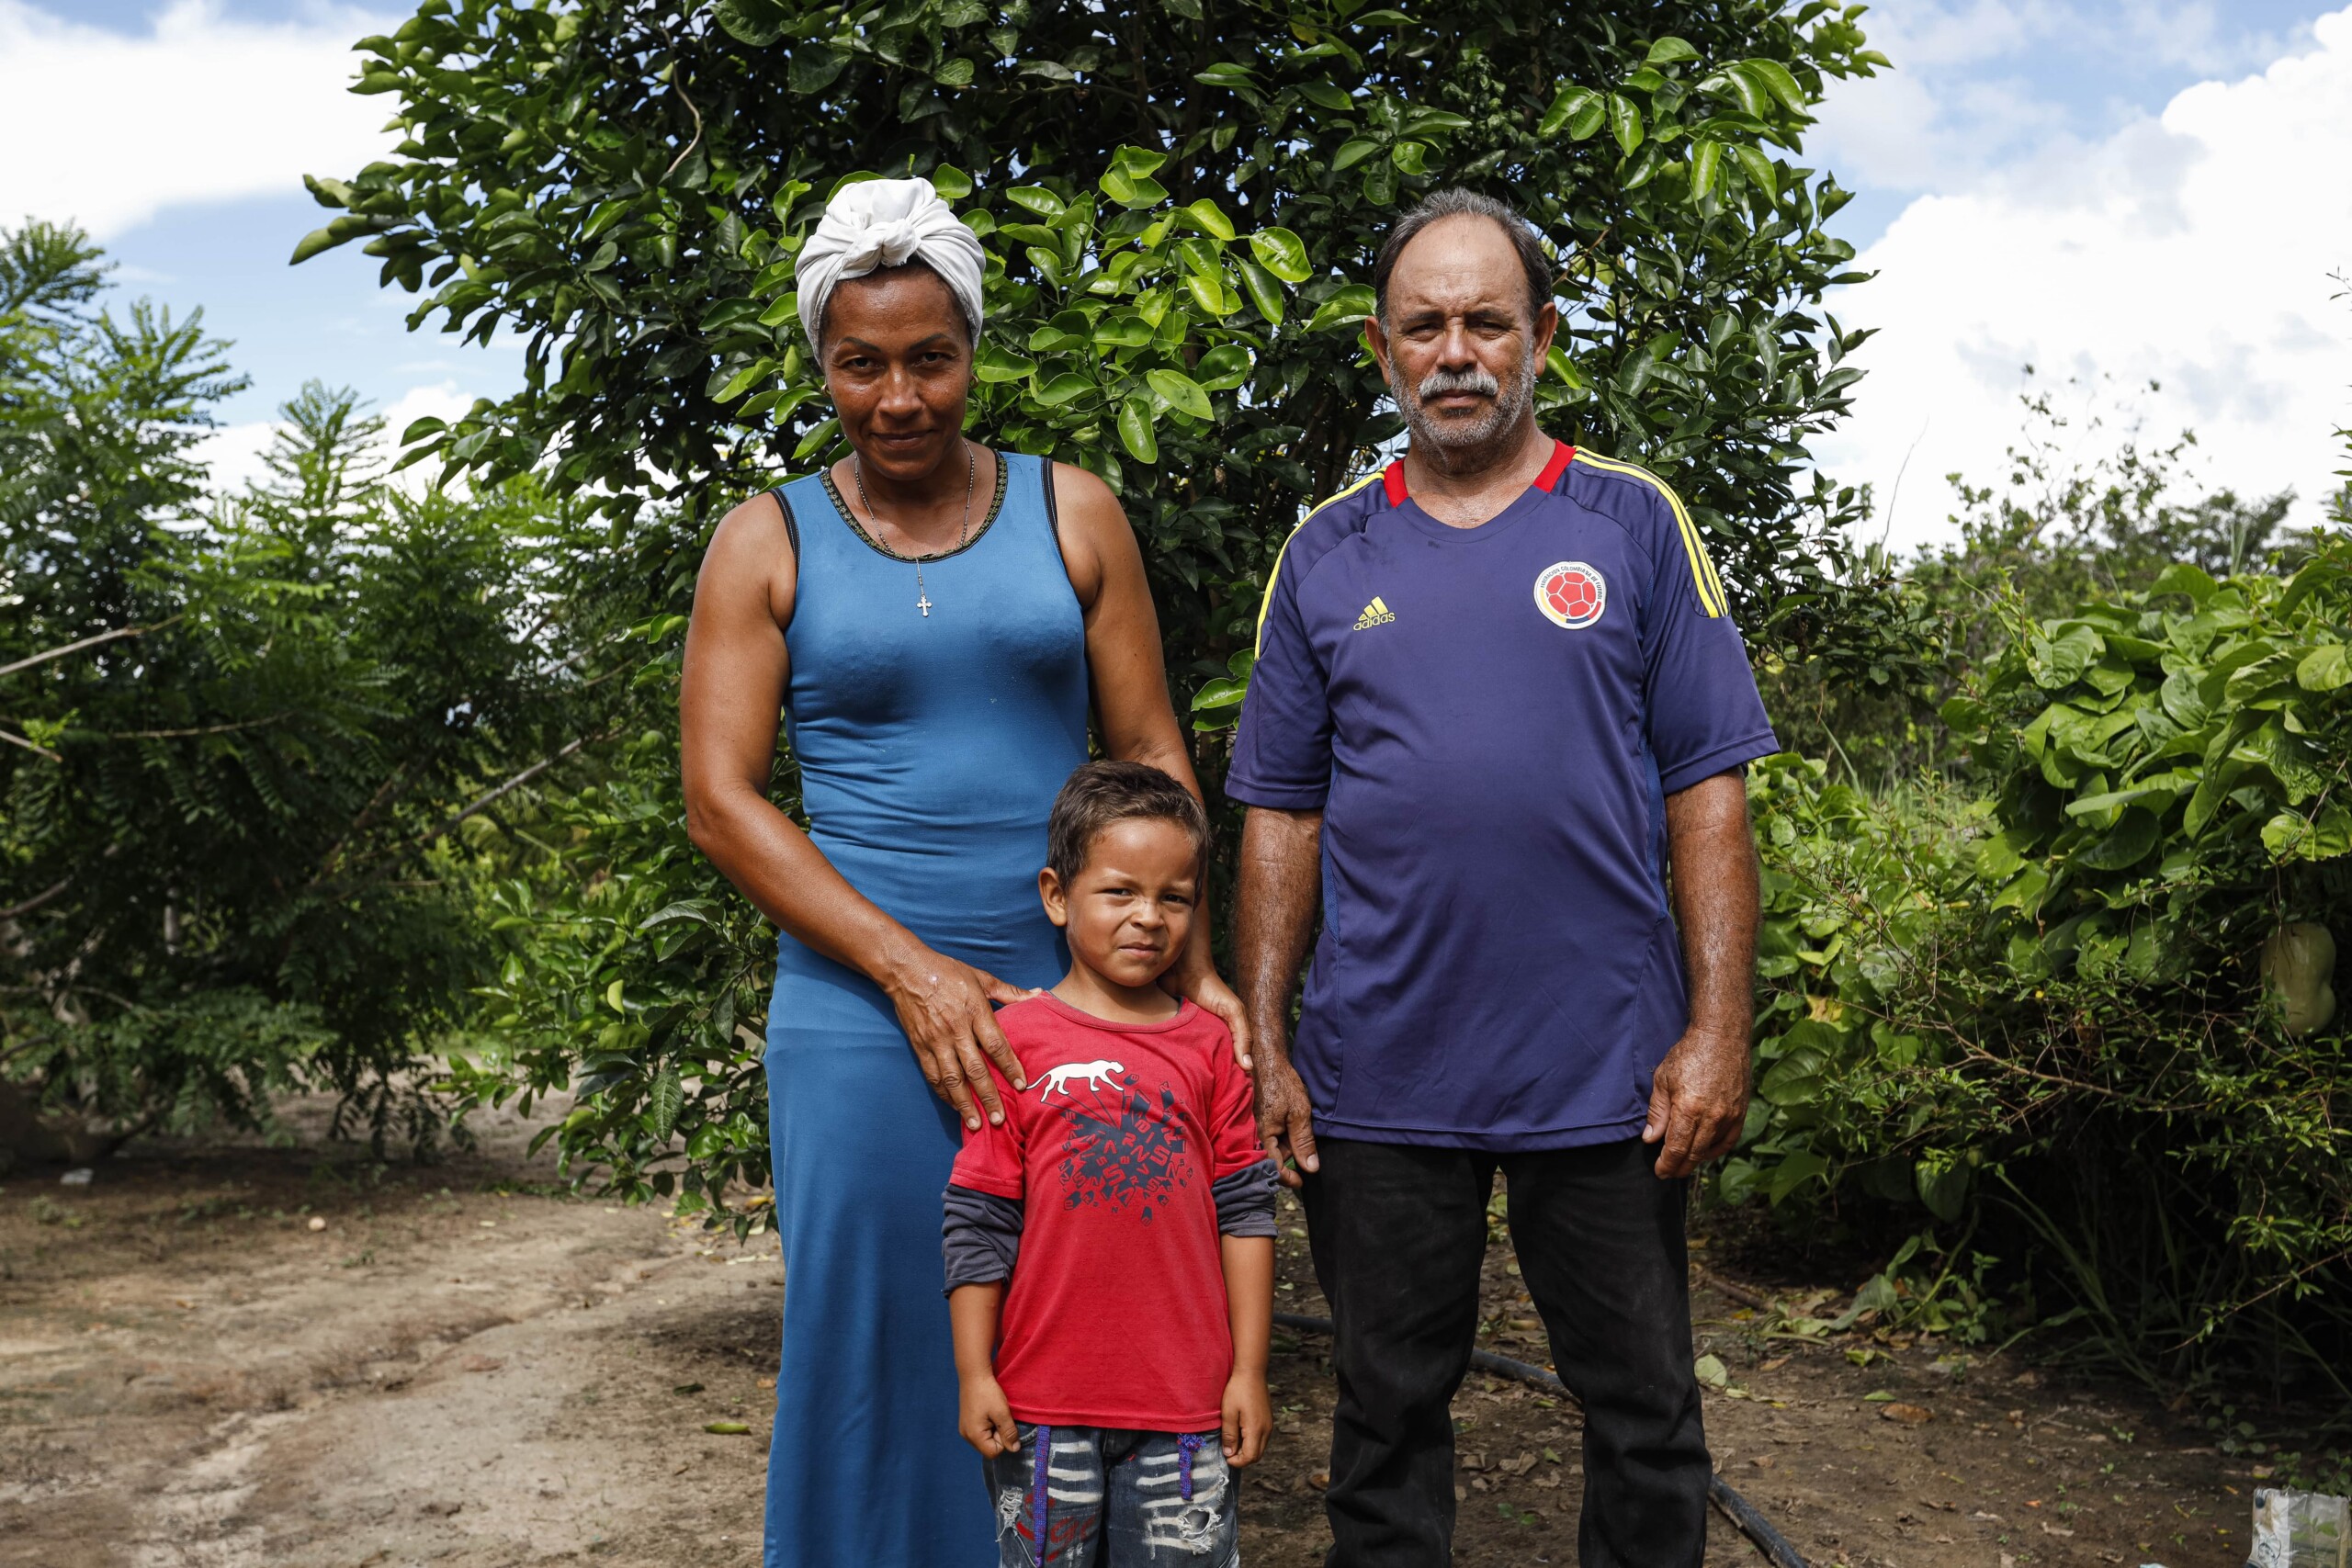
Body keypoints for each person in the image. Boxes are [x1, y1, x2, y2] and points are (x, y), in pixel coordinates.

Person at [681, 176, 1252, 1568]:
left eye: (929, 355)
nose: (898, 395)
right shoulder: (768, 538)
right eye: (860, 362)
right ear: (822, 360)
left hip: (1076, 1009)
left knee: (1080, 1323)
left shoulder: (1072, 509)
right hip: (857, 1015)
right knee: (874, 1329)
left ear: (973, 348)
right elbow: (720, 798)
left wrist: (1192, 966)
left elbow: (1150, 750)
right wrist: (912, 972)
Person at [1225, 187, 1779, 1567]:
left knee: (1647, 1415)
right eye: (1426, 326)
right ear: (1382, 347)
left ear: (1542, 333)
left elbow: (1707, 787)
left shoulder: (1635, 521)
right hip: (1380, 1074)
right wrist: (1266, 1034)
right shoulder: (1326, 551)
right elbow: (1279, 812)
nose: (1456, 351)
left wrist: (1718, 1029)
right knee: (1386, 1413)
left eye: (1487, 320)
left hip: (1607, 1071)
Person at [942, 761, 1277, 1567]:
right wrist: (973, 1371)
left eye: (1175, 897)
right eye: (1120, 890)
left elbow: (1247, 1214)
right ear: (1057, 894)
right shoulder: (1013, 1045)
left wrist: (1251, 1370)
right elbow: (980, 1216)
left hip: (1188, 1409)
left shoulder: (1212, 1050)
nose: (1148, 917)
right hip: (1040, 1411)